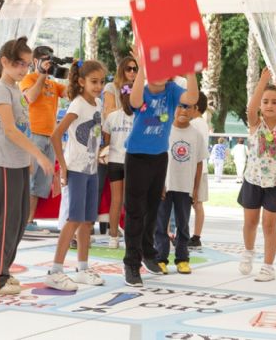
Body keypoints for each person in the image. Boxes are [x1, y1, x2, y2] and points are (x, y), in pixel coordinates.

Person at [0, 37, 54, 295]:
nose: (24, 69)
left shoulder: (17, 90)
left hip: (19, 162)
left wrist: (29, 159)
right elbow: (9, 130)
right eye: (19, 64)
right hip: (3, 163)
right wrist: (38, 156)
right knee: (7, 222)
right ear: (5, 62)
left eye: (27, 64)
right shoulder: (1, 89)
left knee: (19, 221)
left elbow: (24, 127)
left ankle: (3, 272)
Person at [122, 50, 199, 287]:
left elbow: (193, 98)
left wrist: (189, 71)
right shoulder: (141, 90)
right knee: (135, 212)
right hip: (136, 156)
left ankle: (148, 253)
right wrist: (143, 67)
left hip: (159, 157)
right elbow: (134, 102)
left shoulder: (173, 91)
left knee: (153, 210)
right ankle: (131, 264)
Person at [45, 60, 107, 291]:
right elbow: (56, 135)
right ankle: (55, 270)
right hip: (77, 170)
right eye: (93, 81)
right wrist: (63, 166)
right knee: (73, 220)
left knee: (86, 221)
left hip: (92, 169)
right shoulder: (78, 105)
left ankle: (82, 268)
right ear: (81, 82)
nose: (98, 86)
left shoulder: (98, 104)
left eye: (101, 82)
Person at [237, 68, 276, 283]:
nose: (269, 105)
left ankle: (268, 266)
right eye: (266, 101)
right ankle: (248, 251)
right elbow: (251, 108)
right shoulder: (255, 125)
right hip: (253, 181)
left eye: (274, 101)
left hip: (275, 184)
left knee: (269, 226)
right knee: (250, 222)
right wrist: (262, 83)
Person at [155, 103, 207, 274]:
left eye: (188, 107)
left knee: (183, 225)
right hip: (166, 186)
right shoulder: (164, 131)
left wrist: (195, 188)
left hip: (185, 187)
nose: (183, 110)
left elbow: (199, 163)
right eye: (179, 106)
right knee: (161, 224)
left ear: (194, 110)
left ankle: (182, 258)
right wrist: (159, 183)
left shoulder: (196, 135)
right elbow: (157, 157)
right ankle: (160, 258)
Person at [19, 46, 67, 231]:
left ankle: (29, 221)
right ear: (35, 61)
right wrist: (41, 74)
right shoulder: (27, 78)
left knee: (41, 182)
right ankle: (21, 219)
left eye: (51, 60)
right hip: (33, 134)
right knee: (28, 178)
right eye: (45, 60)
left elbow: (71, 92)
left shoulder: (53, 84)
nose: (49, 63)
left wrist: (73, 71)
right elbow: (30, 97)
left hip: (50, 137)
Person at [102, 82, 134, 249]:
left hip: (114, 161)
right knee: (130, 201)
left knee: (116, 200)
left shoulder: (112, 117)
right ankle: (130, 237)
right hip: (132, 162)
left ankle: (113, 237)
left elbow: (106, 141)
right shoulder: (139, 116)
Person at [188, 92, 209, 250]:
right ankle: (196, 236)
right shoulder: (202, 123)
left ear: (195, 107)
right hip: (200, 169)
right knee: (198, 204)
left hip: (196, 169)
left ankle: (195, 236)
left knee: (196, 203)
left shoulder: (195, 124)